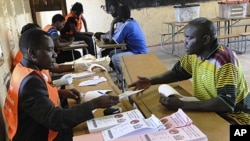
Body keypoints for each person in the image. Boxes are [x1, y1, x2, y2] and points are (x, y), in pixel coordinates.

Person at [128, 17, 250, 125]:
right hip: (211, 106)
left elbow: (226, 103)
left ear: (206, 39)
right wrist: (151, 80)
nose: (184, 42)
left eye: (189, 38)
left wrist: (181, 104)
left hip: (237, 114)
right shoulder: (195, 54)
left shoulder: (224, 61)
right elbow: (177, 73)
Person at [4, 29, 119, 141]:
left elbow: (34, 101)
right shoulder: (30, 82)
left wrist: (60, 92)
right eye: (49, 50)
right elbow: (55, 120)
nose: (55, 54)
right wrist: (95, 103)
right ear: (32, 53)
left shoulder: (22, 69)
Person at [106, 4, 148, 77]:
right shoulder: (132, 21)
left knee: (115, 58)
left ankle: (125, 77)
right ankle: (121, 73)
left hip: (138, 52)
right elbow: (116, 35)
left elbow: (111, 41)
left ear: (119, 17)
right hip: (135, 50)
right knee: (112, 52)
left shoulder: (126, 25)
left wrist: (112, 24)